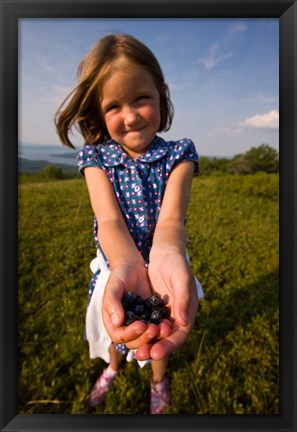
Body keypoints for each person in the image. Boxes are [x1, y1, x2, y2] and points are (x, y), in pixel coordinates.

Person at [55, 33, 203, 414]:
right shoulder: (96, 159)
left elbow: (172, 219)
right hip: (117, 264)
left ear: (162, 94)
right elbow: (108, 220)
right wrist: (125, 263)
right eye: (114, 105)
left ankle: (158, 380)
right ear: (98, 113)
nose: (132, 115)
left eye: (141, 98)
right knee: (118, 328)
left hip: (163, 267)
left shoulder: (179, 155)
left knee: (158, 328)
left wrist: (166, 252)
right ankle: (113, 368)